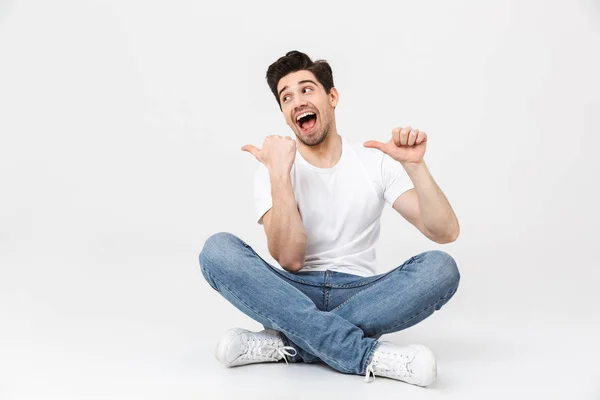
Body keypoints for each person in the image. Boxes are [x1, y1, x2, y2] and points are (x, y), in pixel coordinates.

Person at [199, 50, 461, 387]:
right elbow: (290, 260)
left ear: (332, 97)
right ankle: (367, 355)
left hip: (363, 294)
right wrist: (280, 174)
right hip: (292, 291)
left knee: (441, 268)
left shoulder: (374, 162)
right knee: (217, 251)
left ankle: (287, 343)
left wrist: (415, 166)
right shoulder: (272, 168)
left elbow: (445, 231)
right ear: (284, 113)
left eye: (307, 89)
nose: (297, 101)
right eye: (287, 97)